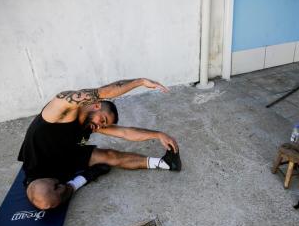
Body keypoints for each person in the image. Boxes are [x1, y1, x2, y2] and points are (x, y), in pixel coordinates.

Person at [18, 78, 181, 210]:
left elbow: (125, 132)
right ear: (96, 105)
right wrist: (140, 82)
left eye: (104, 125)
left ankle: (164, 163)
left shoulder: (91, 124)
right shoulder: (63, 107)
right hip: (41, 168)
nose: (100, 127)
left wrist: (159, 134)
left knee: (110, 155)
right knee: (45, 200)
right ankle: (80, 180)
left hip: (70, 156)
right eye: (102, 120)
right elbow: (105, 91)